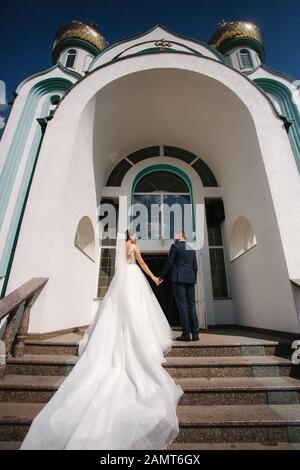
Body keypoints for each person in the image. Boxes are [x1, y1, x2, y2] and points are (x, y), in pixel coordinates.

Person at [20, 230, 183, 450]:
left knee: (120, 312)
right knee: (137, 310)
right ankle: (139, 340)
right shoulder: (134, 248)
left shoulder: (120, 249)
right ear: (130, 237)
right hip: (134, 278)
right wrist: (154, 278)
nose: (137, 237)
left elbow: (124, 264)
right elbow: (143, 264)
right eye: (135, 234)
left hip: (123, 279)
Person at [159, 230, 199, 342]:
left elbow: (170, 262)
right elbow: (195, 266)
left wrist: (161, 276)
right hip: (190, 279)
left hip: (178, 279)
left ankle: (186, 334)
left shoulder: (175, 247)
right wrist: (194, 278)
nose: (173, 238)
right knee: (192, 306)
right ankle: (195, 334)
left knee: (182, 306)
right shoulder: (191, 247)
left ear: (180, 235)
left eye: (174, 235)